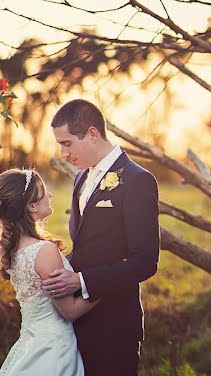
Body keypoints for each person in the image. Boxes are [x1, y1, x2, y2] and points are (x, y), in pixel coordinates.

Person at [42, 99, 160, 375]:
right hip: (77, 322)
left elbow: (145, 262)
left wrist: (81, 281)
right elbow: (86, 246)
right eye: (60, 145)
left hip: (115, 326)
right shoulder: (81, 179)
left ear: (92, 134)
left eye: (67, 143)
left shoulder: (137, 180)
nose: (63, 153)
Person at [0, 168, 98, 376]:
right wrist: (108, 284)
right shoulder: (44, 251)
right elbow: (70, 311)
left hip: (30, 343)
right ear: (31, 206)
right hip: (54, 350)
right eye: (44, 192)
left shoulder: (15, 249)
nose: (50, 195)